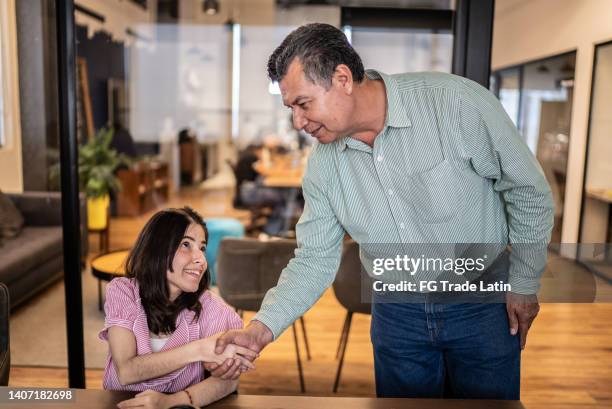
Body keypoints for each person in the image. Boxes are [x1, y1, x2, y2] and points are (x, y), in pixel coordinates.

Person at [207, 23, 554, 399]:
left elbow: (527, 191)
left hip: (482, 302)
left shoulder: (455, 104)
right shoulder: (325, 164)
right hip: (396, 312)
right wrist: (259, 330)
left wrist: (523, 280)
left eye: (303, 104)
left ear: (342, 78)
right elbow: (314, 258)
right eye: (290, 108)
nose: (297, 122)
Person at [99, 207, 256, 409]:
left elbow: (229, 381)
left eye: (202, 248)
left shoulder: (212, 308)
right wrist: (199, 350)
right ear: (157, 248)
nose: (200, 259)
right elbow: (126, 371)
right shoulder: (123, 292)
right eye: (186, 244)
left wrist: (171, 402)